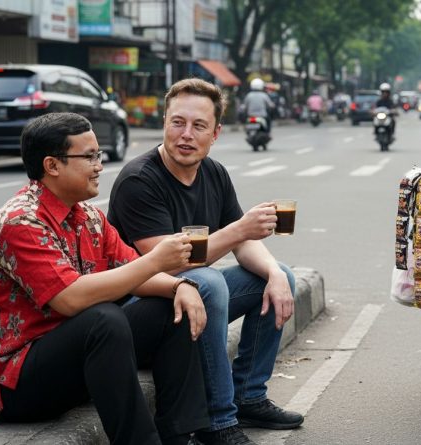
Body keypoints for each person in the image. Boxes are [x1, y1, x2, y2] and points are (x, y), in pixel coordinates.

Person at [0, 112, 210, 445]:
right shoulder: (19, 221)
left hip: (72, 360)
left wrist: (179, 285)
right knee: (103, 318)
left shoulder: (88, 215)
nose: (100, 165)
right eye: (89, 156)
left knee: (170, 310)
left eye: (98, 154)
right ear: (52, 165)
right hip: (15, 383)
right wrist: (156, 260)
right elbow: (71, 299)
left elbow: (130, 269)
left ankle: (181, 435)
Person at [107, 78, 303, 445]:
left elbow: (244, 244)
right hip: (139, 315)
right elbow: (165, 264)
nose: (185, 135)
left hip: (188, 305)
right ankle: (217, 421)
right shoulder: (139, 180)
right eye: (177, 122)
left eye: (198, 126)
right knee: (207, 281)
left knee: (278, 277)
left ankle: (249, 395)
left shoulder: (213, 172)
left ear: (215, 134)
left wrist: (274, 272)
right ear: (164, 122)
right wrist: (238, 230)